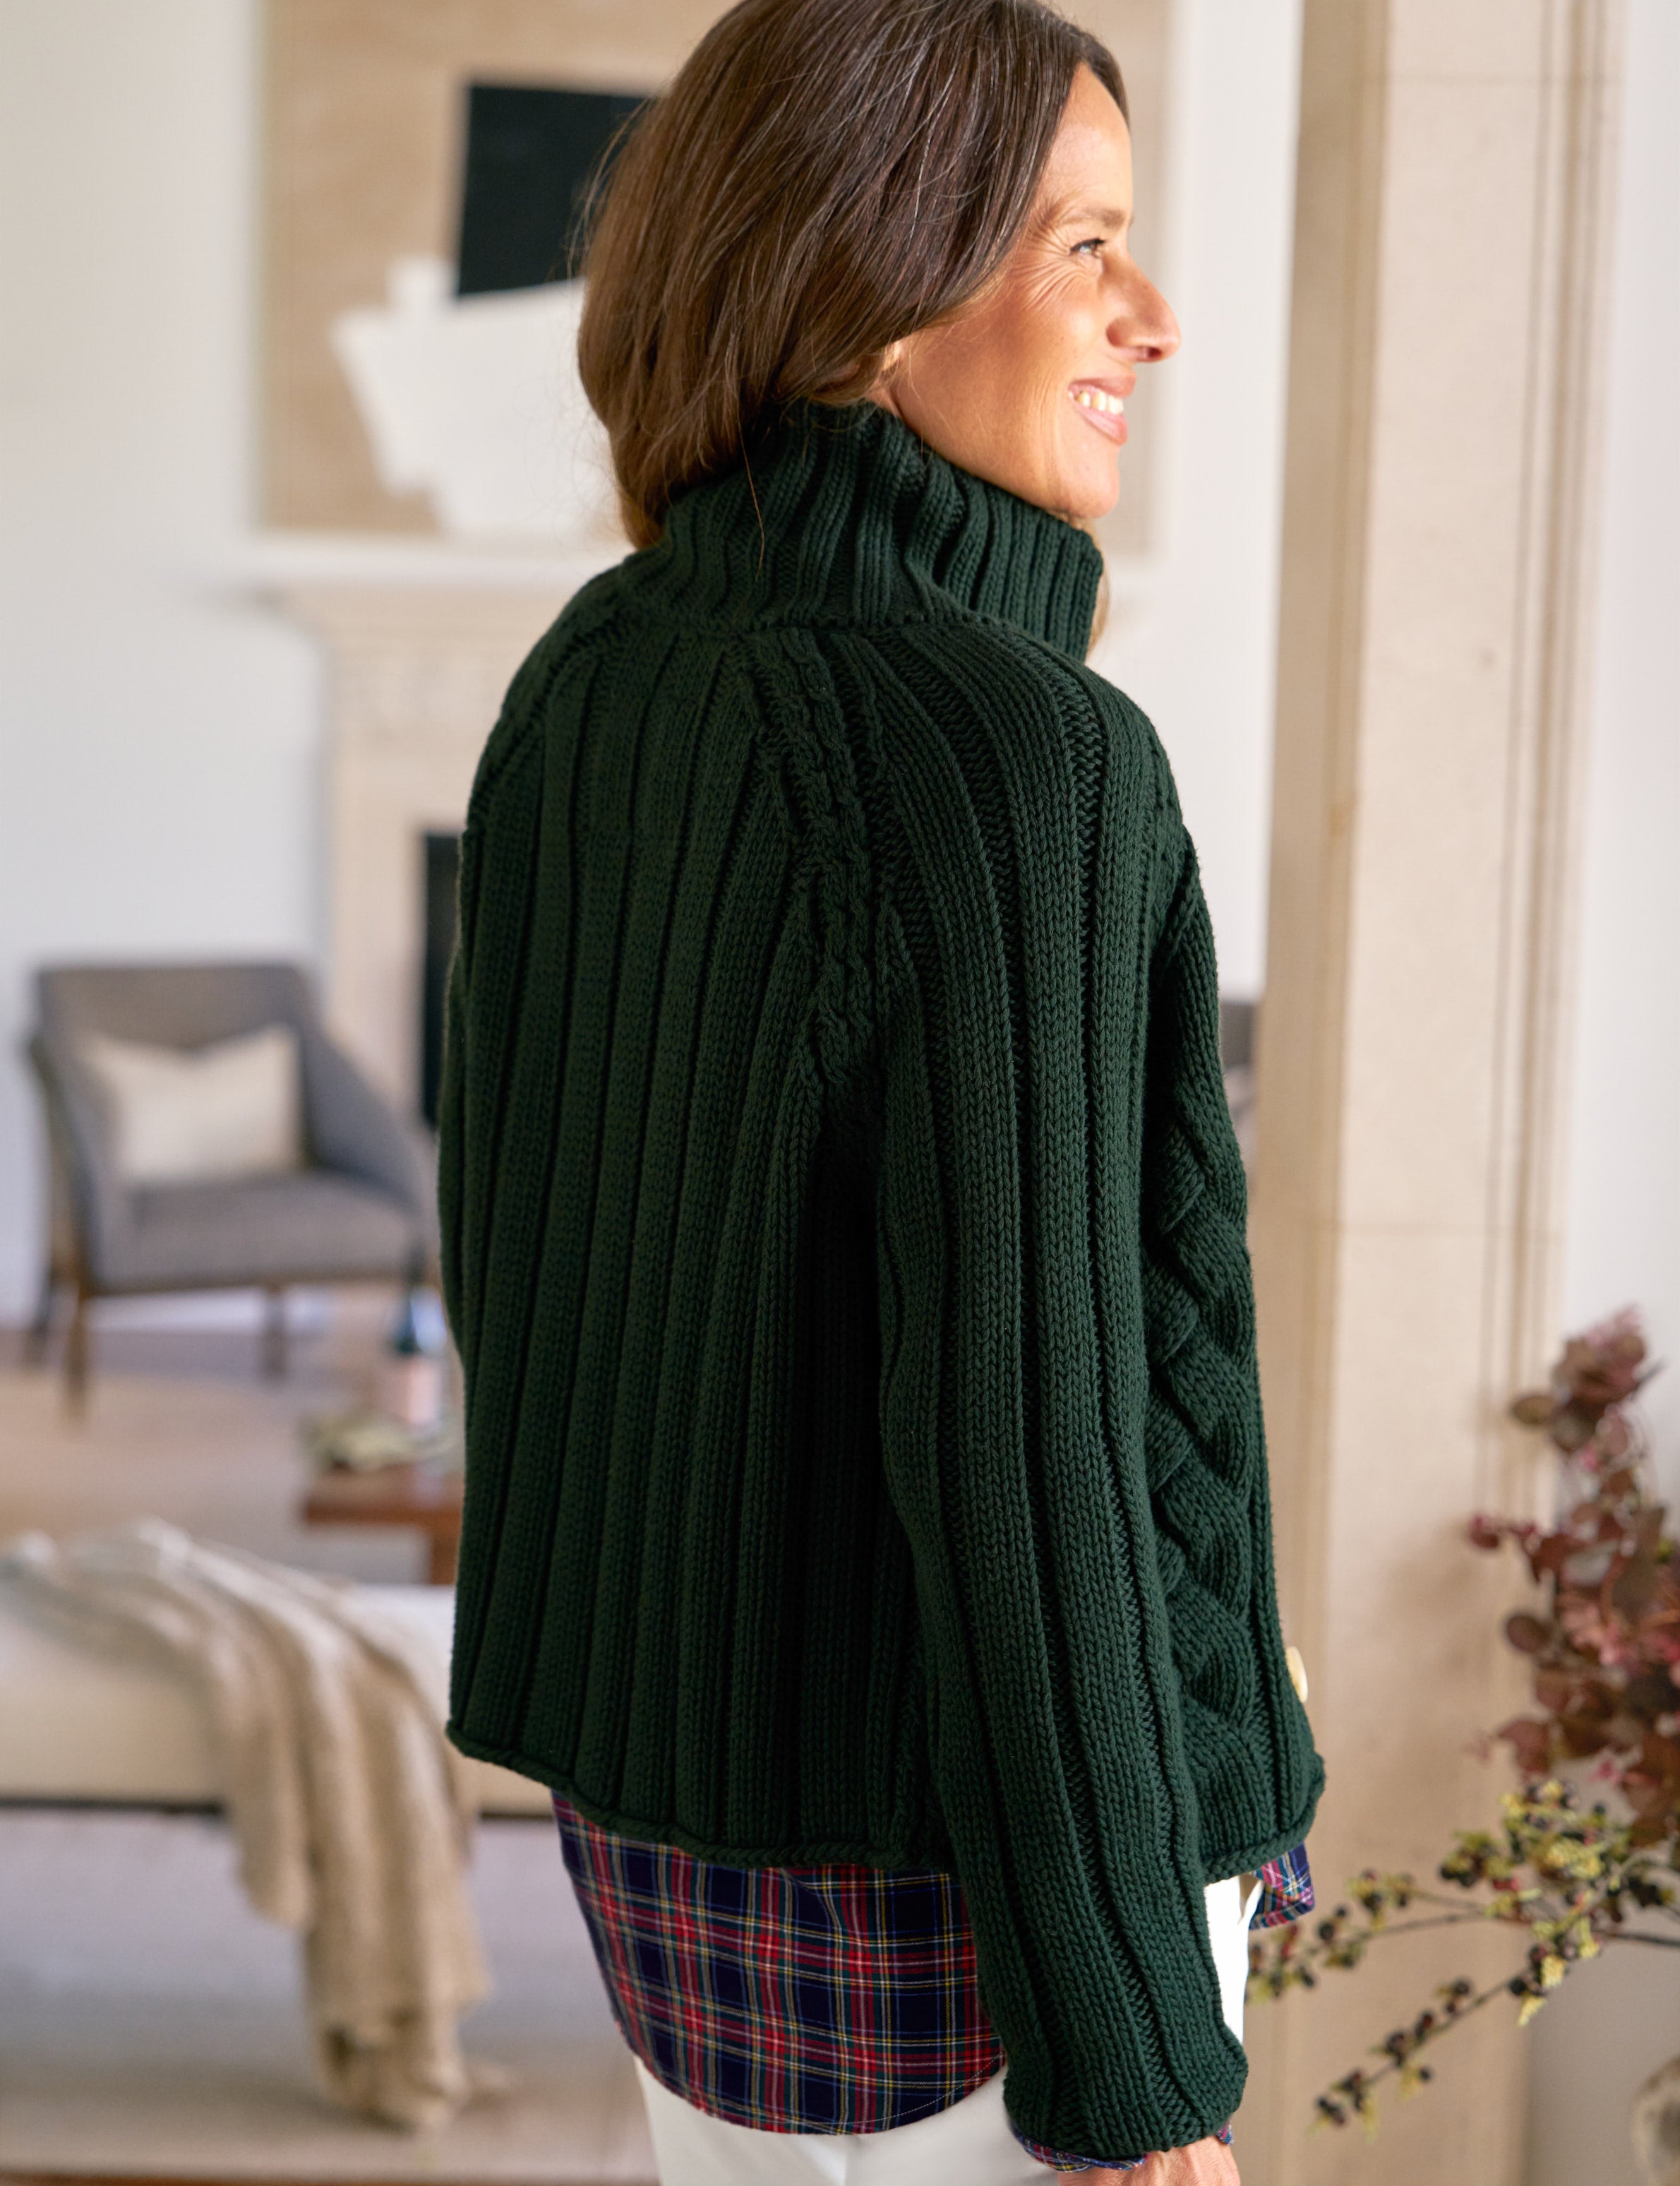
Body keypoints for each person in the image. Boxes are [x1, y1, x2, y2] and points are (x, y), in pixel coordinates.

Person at [436, 1, 1325, 2177]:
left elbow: (520, 1281)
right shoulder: (1017, 757)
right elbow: (1029, 1449)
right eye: (1080, 246)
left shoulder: (591, 679)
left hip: (670, 1870)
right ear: (861, 287)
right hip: (980, 1917)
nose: (1154, 317)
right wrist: (1132, 2076)